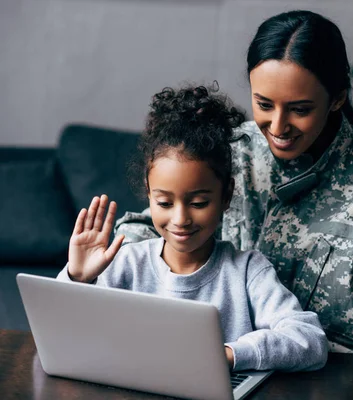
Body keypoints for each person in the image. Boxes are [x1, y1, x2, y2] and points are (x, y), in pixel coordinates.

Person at [116, 10, 353, 358]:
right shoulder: (234, 150)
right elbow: (158, 225)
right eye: (264, 104)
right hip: (242, 369)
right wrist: (110, 263)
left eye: (299, 109)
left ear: (336, 99)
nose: (278, 127)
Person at [57, 84, 329, 372]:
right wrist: (77, 278)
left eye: (198, 203)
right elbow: (61, 336)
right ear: (149, 195)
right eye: (164, 202)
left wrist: (226, 355)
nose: (180, 219)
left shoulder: (248, 271)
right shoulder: (126, 264)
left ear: (225, 196)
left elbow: (309, 340)